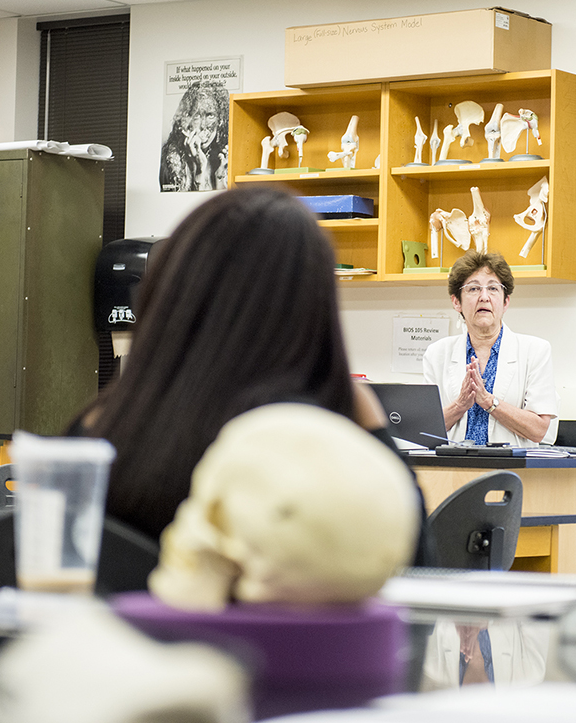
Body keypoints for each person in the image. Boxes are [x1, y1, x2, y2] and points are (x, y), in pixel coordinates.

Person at [69, 186, 405, 542]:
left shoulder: (99, 424)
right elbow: (411, 564)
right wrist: (370, 422)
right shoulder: (325, 432)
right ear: (311, 307)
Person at [423, 251, 558, 446]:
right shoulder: (436, 354)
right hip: (453, 469)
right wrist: (460, 405)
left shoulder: (535, 351)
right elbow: (425, 430)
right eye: (473, 289)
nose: (484, 297)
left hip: (510, 470)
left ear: (505, 302)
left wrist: (488, 402)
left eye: (493, 288)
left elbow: (538, 430)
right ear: (456, 302)